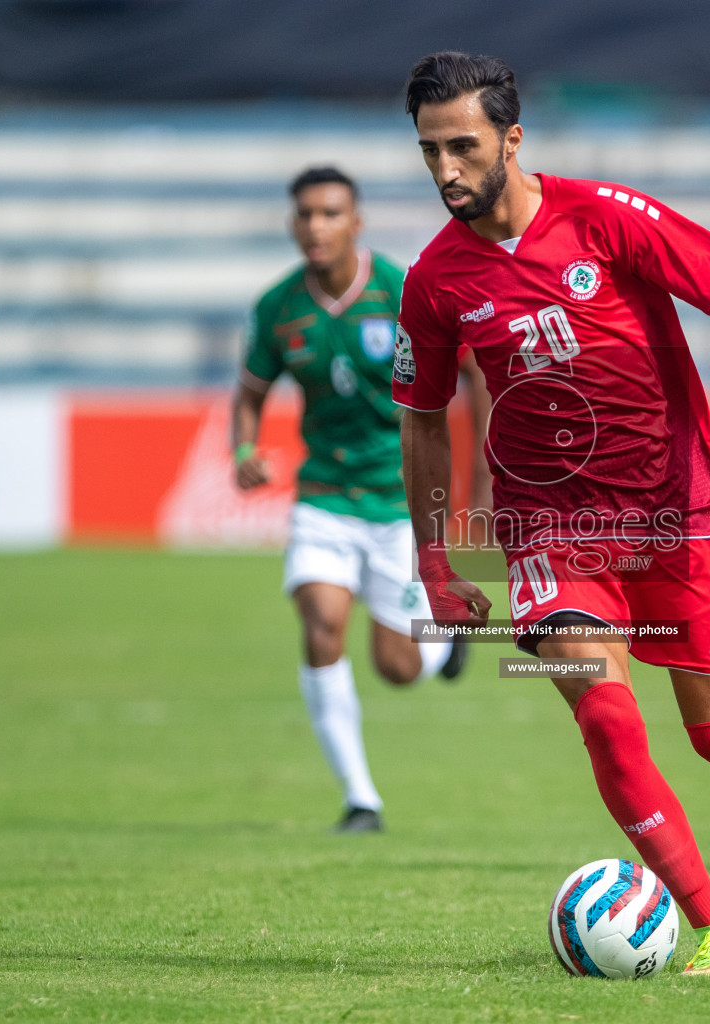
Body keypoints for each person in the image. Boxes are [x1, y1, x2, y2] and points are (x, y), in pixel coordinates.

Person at [394, 52, 710, 976]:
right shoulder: (435, 282)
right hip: (549, 534)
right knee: (607, 718)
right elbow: (420, 422)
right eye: (429, 152)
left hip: (672, 513)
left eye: (463, 146)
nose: (447, 170)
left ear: (512, 138)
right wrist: (436, 565)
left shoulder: (607, 219)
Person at [232, 166, 474, 833]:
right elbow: (250, 394)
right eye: (305, 214)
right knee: (321, 627)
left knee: (397, 667)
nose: (315, 226)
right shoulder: (278, 307)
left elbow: (468, 374)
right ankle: (360, 798)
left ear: (355, 223)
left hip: (396, 501)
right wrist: (243, 452)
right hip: (324, 499)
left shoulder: (401, 290)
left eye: (330, 213)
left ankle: (443, 639)